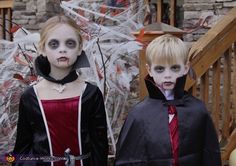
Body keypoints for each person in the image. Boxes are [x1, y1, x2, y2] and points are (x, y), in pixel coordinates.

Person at [13, 15, 108, 166]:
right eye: (54, 44)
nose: (62, 49)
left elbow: (100, 147)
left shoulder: (90, 93)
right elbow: (22, 149)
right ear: (42, 49)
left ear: (79, 48)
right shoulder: (31, 96)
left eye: (70, 43)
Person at [114, 34, 221, 166]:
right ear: (150, 70)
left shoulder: (198, 110)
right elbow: (129, 160)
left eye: (175, 68)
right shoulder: (138, 115)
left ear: (185, 68)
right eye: (160, 69)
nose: (168, 75)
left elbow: (210, 154)